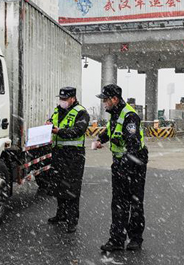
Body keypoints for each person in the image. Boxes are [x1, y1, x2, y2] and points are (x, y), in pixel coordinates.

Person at [92, 84, 149, 252]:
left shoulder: (129, 116)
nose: (103, 103)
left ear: (114, 99)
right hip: (120, 164)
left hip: (134, 164)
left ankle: (135, 239)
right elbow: (111, 132)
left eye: (105, 100)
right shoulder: (115, 114)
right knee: (118, 203)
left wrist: (124, 166)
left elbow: (133, 145)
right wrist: (100, 140)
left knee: (134, 202)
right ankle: (117, 239)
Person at [45, 86, 89, 233]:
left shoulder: (81, 112)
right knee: (59, 185)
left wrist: (59, 131)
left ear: (73, 98)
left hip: (74, 156)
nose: (62, 101)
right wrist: (48, 125)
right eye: (61, 98)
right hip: (59, 154)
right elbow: (52, 121)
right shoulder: (58, 110)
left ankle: (72, 220)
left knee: (72, 188)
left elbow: (78, 131)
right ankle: (61, 214)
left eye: (65, 99)